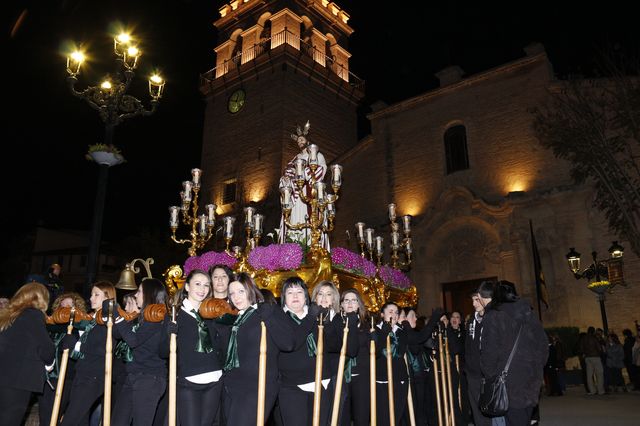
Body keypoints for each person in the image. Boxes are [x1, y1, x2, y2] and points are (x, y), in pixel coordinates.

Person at [222, 272, 296, 424]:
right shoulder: (236, 319)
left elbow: (288, 344)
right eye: (232, 293)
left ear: (250, 290)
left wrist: (268, 316)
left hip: (258, 385)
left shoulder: (269, 310)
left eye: (241, 291)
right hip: (232, 385)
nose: (236, 297)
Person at [479, 280, 548, 426]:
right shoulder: (530, 314)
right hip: (531, 380)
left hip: (509, 382)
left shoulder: (493, 316)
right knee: (524, 419)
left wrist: (491, 376)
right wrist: (537, 368)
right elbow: (543, 345)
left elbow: (488, 352)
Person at [278, 277, 340, 426]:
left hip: (321, 383)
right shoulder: (279, 318)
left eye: (299, 291)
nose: (295, 296)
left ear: (306, 296)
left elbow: (334, 346)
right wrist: (310, 317)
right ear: (283, 297)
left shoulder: (318, 316)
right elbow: (291, 343)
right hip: (292, 386)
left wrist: (327, 323)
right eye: (290, 292)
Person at [170, 269, 226, 425]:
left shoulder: (212, 314)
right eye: (198, 284)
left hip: (215, 379)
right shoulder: (176, 316)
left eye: (206, 285)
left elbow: (222, 347)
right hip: (189, 381)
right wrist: (169, 334)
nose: (202, 289)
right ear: (187, 287)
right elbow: (163, 351)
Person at [111, 278, 170, 426]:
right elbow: (119, 334)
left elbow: (133, 341)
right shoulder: (143, 318)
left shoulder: (156, 318)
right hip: (134, 376)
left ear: (149, 294)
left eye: (139, 291)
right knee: (118, 421)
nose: (136, 295)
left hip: (150, 379)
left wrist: (117, 315)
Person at [374, 301, 443, 425]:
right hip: (382, 381)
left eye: (396, 312)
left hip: (401, 380)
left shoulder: (401, 332)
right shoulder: (375, 330)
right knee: (384, 419)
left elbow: (419, 338)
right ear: (382, 314)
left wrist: (433, 319)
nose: (394, 315)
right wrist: (384, 333)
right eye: (390, 312)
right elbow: (375, 353)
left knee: (397, 418)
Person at [60, 281, 118, 425]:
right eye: (91, 294)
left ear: (107, 297)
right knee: (80, 420)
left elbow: (104, 348)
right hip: (82, 373)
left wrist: (77, 345)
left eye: (96, 295)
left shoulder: (109, 319)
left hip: (93, 377)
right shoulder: (93, 319)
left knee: (70, 419)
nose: (91, 298)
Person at [0, 282, 56, 426]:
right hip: (18, 380)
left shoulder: (6, 315)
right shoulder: (33, 315)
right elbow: (46, 347)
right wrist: (50, 364)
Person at [38, 292, 87, 426]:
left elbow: (78, 352)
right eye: (62, 304)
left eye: (69, 305)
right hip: (47, 377)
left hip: (66, 377)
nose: (64, 307)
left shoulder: (79, 328)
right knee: (45, 415)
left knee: (54, 415)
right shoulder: (48, 326)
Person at [278, 121, 328, 249]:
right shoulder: (295, 159)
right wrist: (286, 178)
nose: (299, 142)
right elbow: (289, 173)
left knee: (312, 218)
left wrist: (306, 172)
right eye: (298, 140)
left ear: (307, 140)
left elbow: (322, 168)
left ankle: (312, 247)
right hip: (296, 194)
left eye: (301, 139)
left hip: (310, 192)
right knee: (295, 218)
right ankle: (294, 246)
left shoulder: (316, 155)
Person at [339, 288, 371, 426]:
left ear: (359, 305)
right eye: (346, 300)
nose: (350, 303)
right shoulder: (336, 324)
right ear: (341, 305)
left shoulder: (367, 325)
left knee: (361, 417)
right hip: (342, 376)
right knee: (342, 417)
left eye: (354, 300)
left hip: (362, 376)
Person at [464, 284, 493, 426]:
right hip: (473, 372)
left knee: (491, 405)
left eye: (477, 300)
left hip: (488, 372)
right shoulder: (471, 321)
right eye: (473, 301)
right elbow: (468, 346)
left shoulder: (492, 318)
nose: (474, 303)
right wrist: (468, 366)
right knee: (476, 407)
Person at [578, 326, 606, 395]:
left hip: (587, 358)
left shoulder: (583, 338)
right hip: (596, 357)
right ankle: (600, 391)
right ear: (593, 331)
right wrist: (601, 353)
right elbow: (599, 348)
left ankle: (592, 391)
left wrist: (585, 353)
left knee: (589, 375)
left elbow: (581, 348)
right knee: (599, 374)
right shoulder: (594, 338)